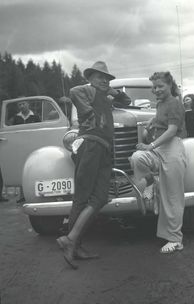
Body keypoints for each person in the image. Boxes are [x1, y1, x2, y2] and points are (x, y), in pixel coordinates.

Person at [56, 61, 131, 269]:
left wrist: (113, 92)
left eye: (107, 77)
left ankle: (71, 240)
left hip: (104, 150)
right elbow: (73, 90)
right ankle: (75, 245)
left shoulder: (106, 96)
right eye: (100, 76)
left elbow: (127, 100)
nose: (105, 80)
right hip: (89, 145)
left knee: (100, 197)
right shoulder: (87, 91)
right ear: (90, 78)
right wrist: (90, 102)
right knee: (81, 198)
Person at [130, 71, 186, 254]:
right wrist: (150, 124)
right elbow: (161, 122)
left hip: (172, 148)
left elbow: (172, 130)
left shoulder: (175, 103)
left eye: (160, 86)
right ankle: (151, 182)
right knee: (137, 158)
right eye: (154, 87)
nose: (156, 90)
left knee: (173, 196)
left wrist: (150, 145)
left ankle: (176, 240)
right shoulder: (160, 104)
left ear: (170, 85)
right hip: (159, 149)